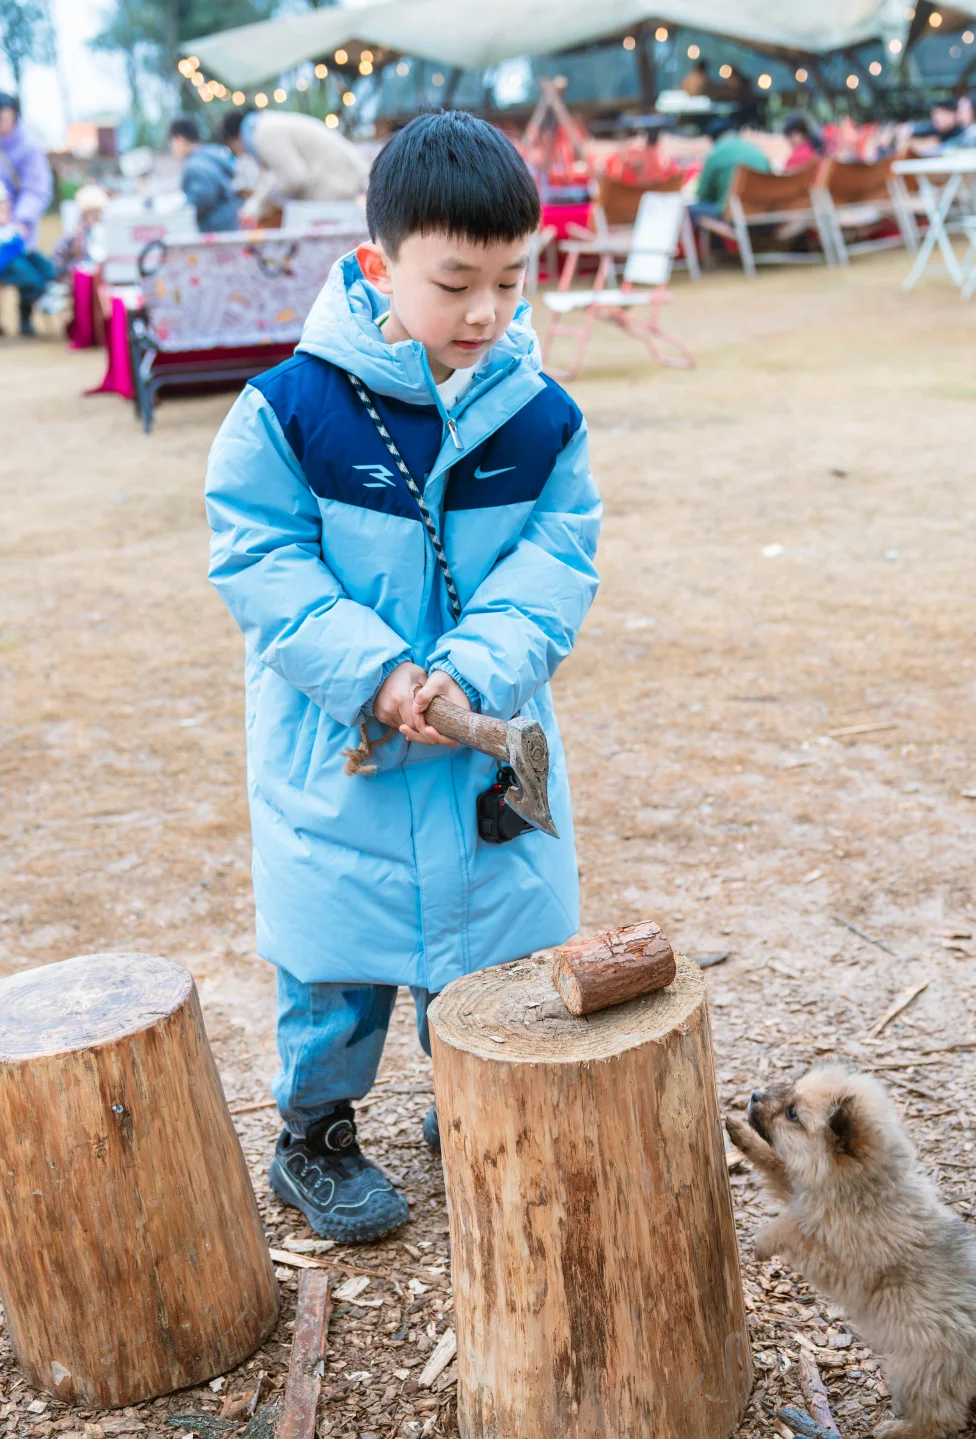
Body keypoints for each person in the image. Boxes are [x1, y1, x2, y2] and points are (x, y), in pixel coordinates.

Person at [204, 110, 601, 1243]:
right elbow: (261, 557)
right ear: (378, 266)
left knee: (491, 950)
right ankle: (315, 1133)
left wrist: (473, 673)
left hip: (480, 738)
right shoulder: (290, 409)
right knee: (335, 965)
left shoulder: (542, 416)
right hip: (346, 749)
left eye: (511, 280)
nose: (486, 312)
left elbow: (555, 561)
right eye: (455, 283)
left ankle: (473, 1092)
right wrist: (376, 671)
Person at [220, 108, 371, 226]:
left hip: (334, 185)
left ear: (233, 139)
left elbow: (292, 177)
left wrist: (255, 207)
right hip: (341, 179)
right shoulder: (265, 124)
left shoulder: (262, 134)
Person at [0, 93, 54, 336]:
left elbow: (36, 187)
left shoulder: (29, 147)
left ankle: (26, 318)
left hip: (19, 228)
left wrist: (21, 219)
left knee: (34, 273)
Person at [689, 120, 771, 236]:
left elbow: (703, 195)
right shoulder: (757, 151)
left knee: (687, 211)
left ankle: (711, 248)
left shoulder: (715, 154)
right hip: (765, 216)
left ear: (712, 139)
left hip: (734, 218)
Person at [168, 117, 240, 233]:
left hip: (216, 231)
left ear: (179, 140)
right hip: (231, 223)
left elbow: (204, 197)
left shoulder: (194, 165)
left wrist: (183, 205)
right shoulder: (213, 154)